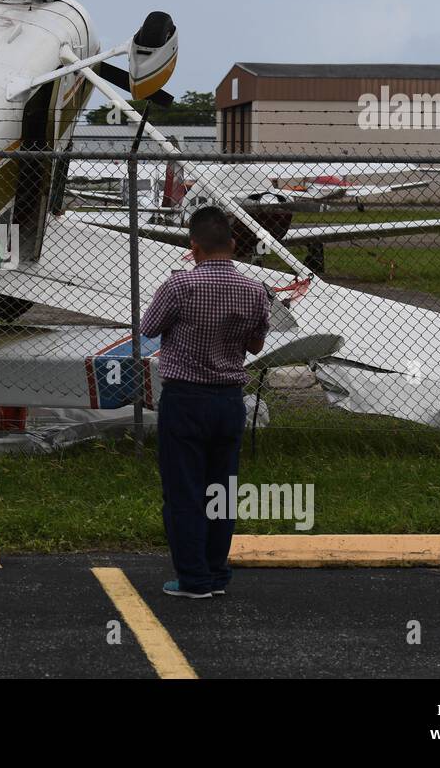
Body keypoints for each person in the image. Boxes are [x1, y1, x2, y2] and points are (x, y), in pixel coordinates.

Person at [141, 206, 270, 599]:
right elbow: (255, 344)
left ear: (193, 247)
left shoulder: (180, 285)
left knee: (185, 491)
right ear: (233, 243)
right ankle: (215, 573)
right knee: (221, 493)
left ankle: (194, 579)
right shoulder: (254, 290)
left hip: (185, 399)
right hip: (229, 400)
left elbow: (149, 328)